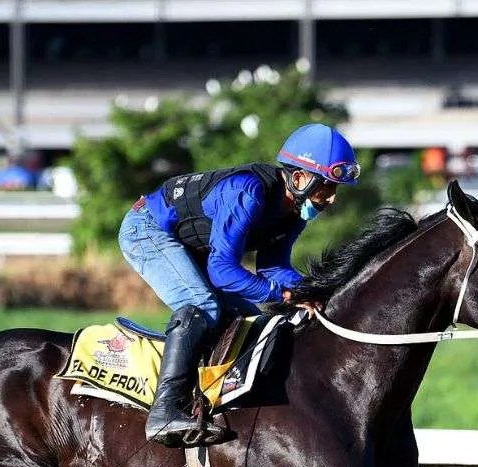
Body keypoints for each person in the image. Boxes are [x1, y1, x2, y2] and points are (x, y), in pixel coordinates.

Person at [119, 123, 360, 447]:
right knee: (203, 304)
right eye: (327, 187)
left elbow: (273, 265)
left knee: (250, 322)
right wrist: (282, 294)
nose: (331, 199)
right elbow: (222, 271)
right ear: (300, 178)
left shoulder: (294, 213)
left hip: (191, 246)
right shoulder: (247, 192)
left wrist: (310, 292)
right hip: (147, 228)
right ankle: (165, 412)